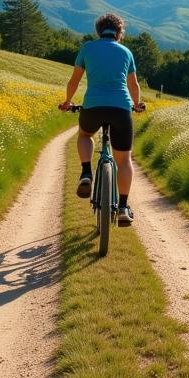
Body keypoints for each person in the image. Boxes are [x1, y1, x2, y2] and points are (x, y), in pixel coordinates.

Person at [59, 13, 144, 226]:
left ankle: (87, 172)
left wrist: (68, 101)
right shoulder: (126, 52)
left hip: (93, 106)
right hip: (121, 109)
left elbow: (74, 80)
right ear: (119, 33)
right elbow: (134, 85)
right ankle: (123, 207)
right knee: (124, 160)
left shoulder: (87, 48)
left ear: (99, 31)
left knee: (85, 134)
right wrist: (137, 104)